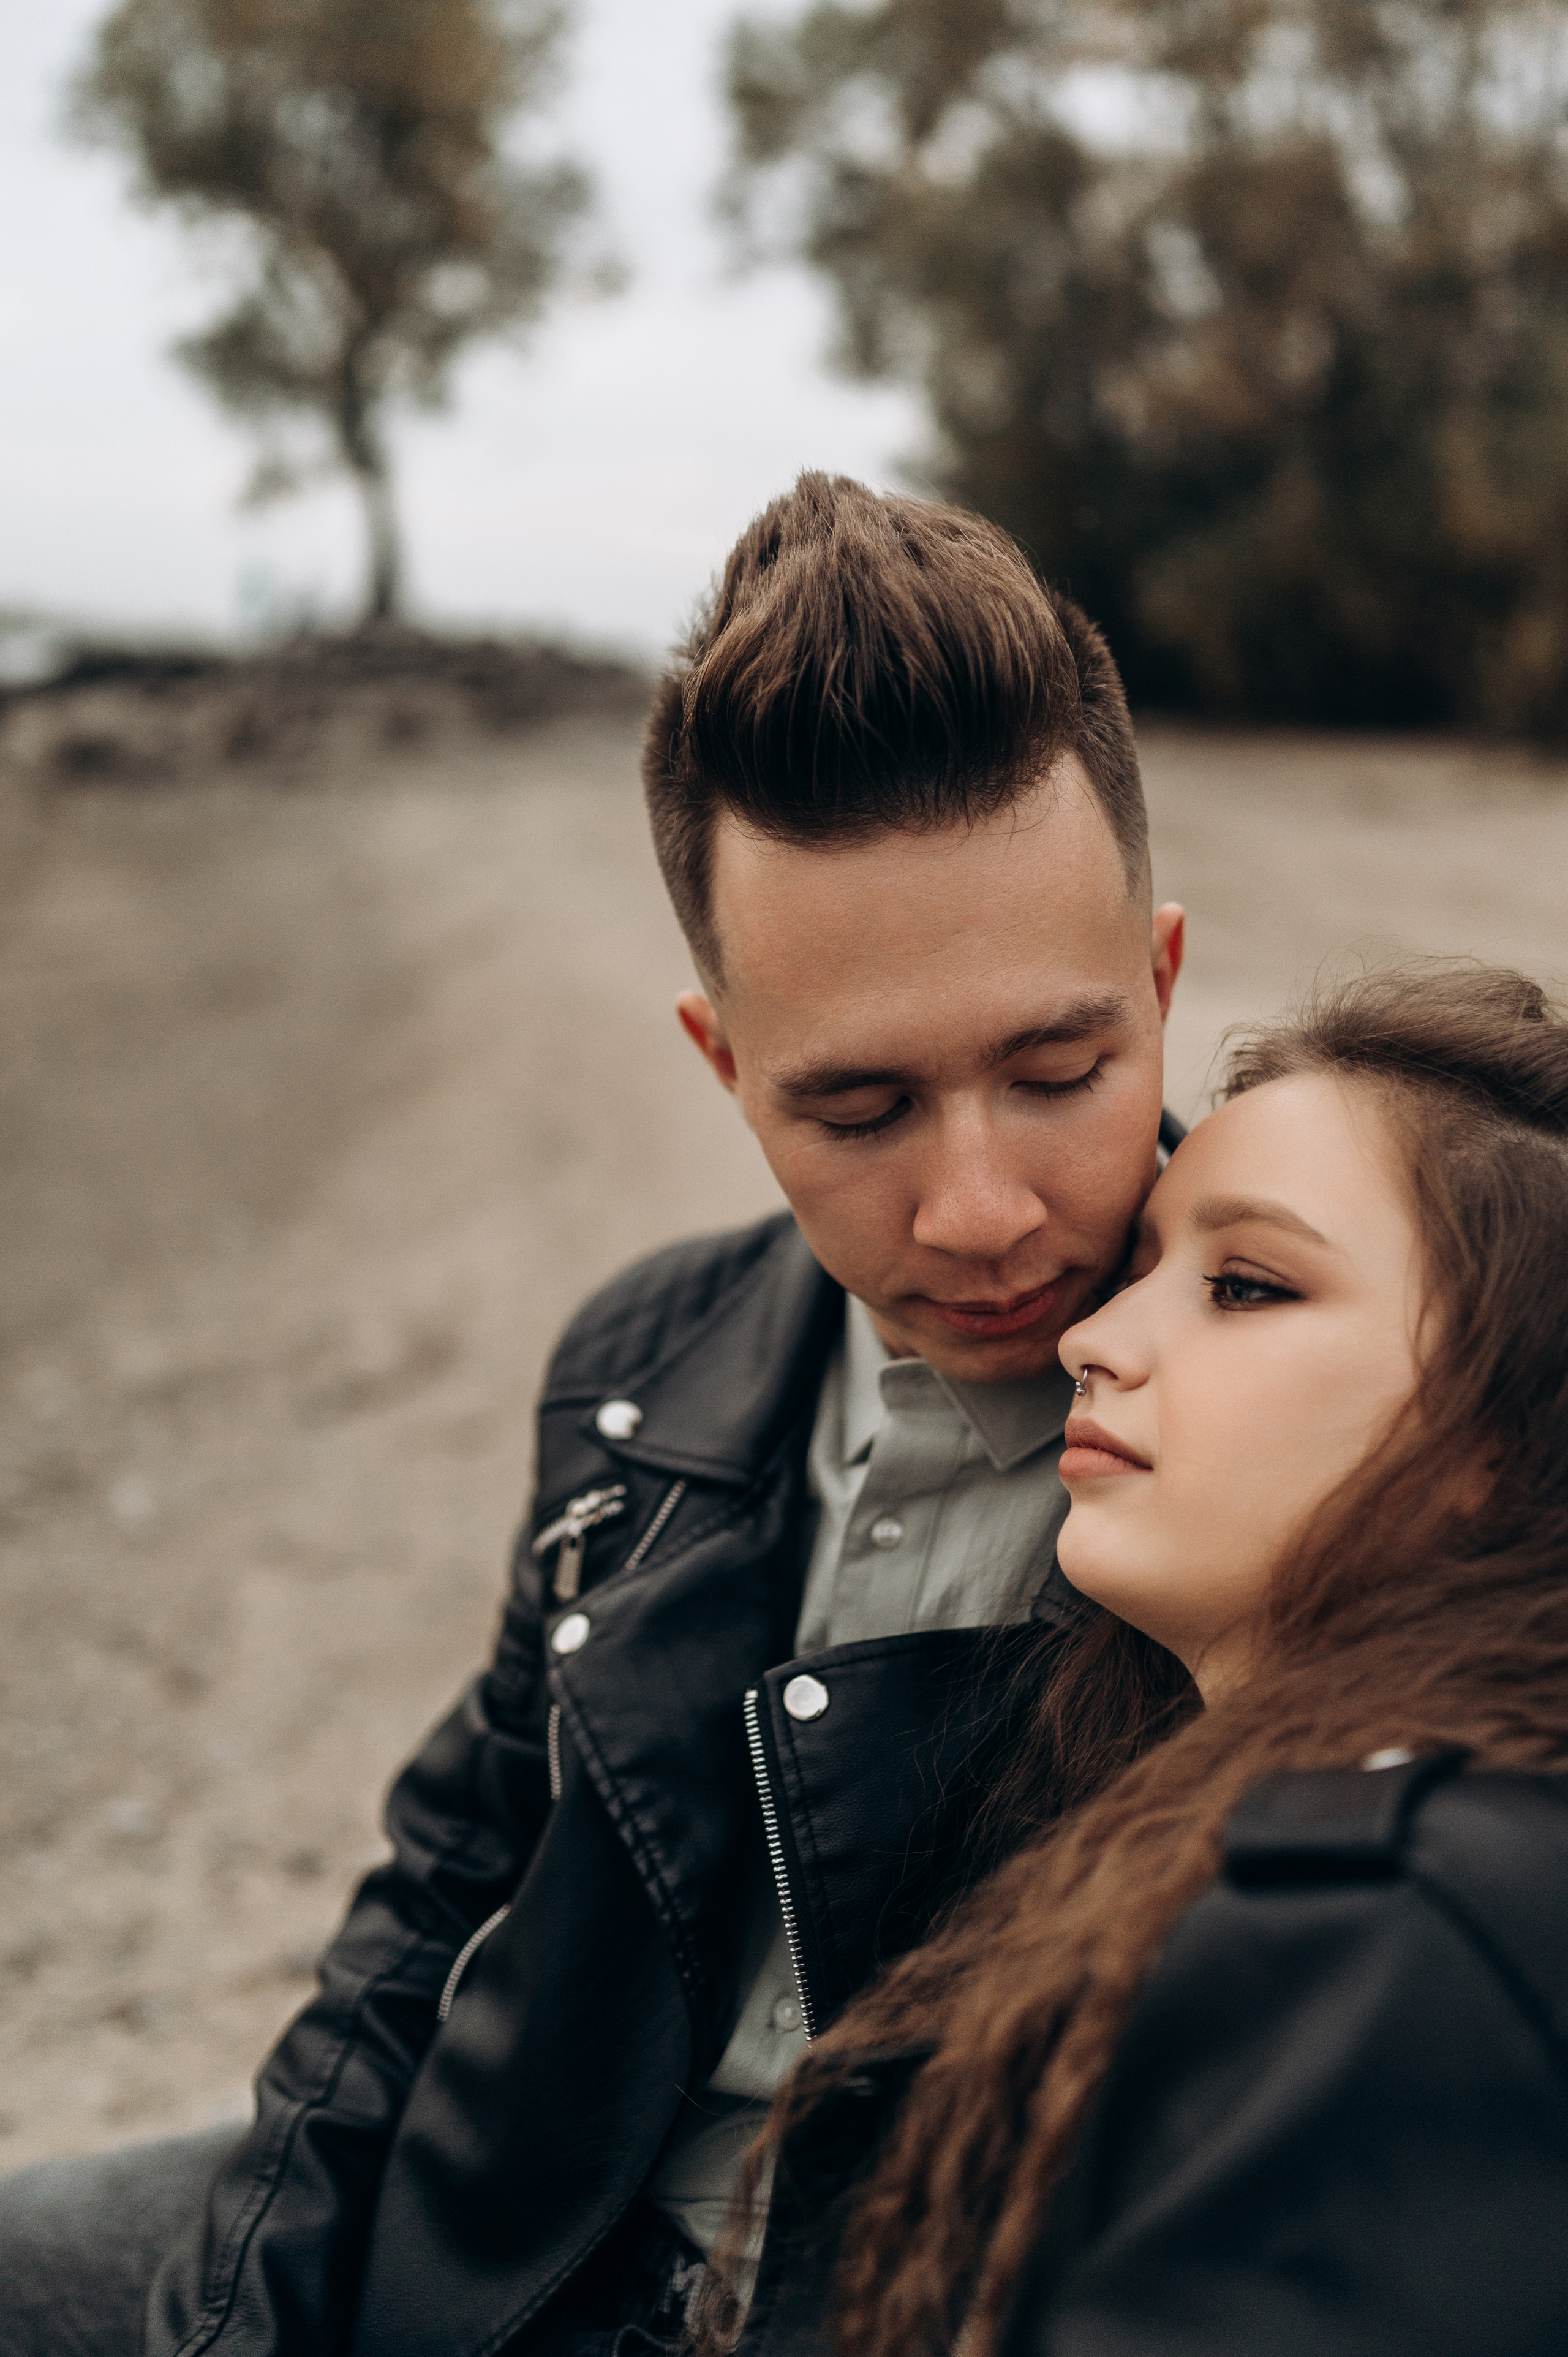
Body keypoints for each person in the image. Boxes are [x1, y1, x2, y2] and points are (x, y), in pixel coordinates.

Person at [0, 472, 1186, 2357]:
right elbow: (429, 1921)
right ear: (725, 1068)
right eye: (857, 1112)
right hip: (512, 2247)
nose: (978, 1208)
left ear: (1165, 982)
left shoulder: (1329, 1390)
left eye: (1059, 1069)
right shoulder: (650, 1360)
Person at [725, 961, 1568, 2357]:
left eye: (1241, 1284)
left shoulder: (1402, 1931)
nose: (1092, 1341)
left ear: (1505, 1438)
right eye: (1139, 1273)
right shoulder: (1260, 1818)